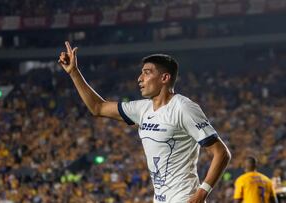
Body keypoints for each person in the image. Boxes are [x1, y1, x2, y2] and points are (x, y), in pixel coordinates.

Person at [58, 41, 231, 203]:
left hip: (183, 198)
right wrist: (74, 72)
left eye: (147, 72)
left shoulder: (183, 108)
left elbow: (221, 153)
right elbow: (98, 107)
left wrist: (202, 192)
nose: (140, 78)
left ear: (164, 78)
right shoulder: (142, 109)